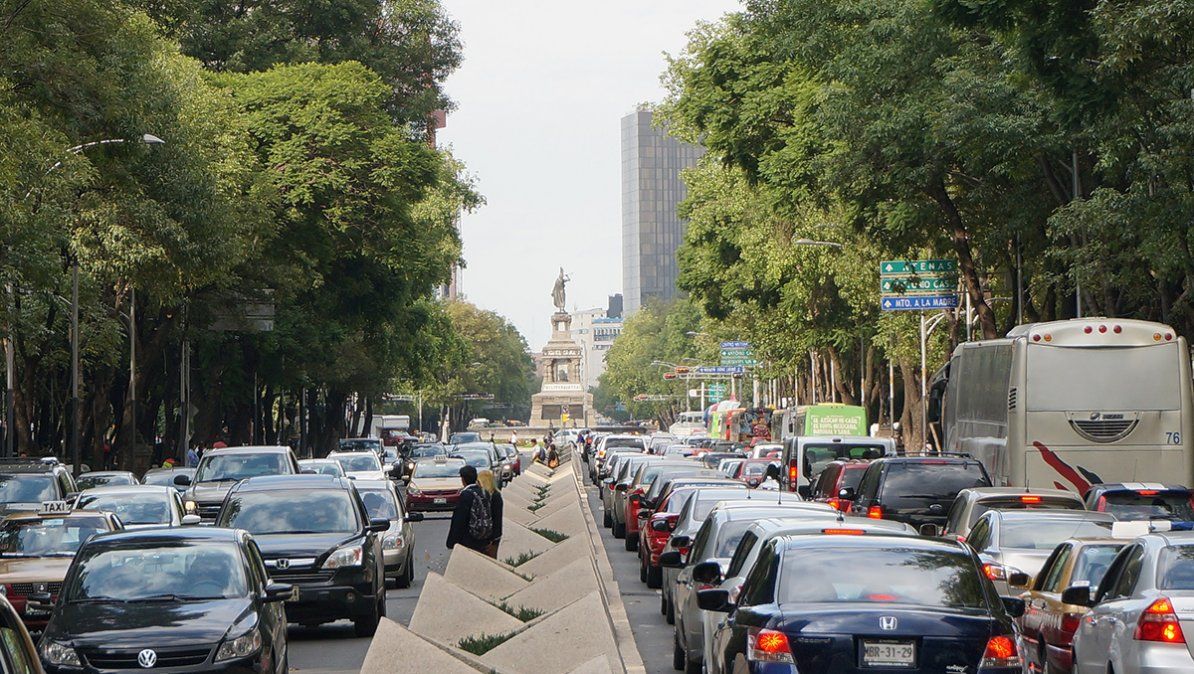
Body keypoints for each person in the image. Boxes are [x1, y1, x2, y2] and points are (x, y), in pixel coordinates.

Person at [447, 465, 494, 554]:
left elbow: (459, 519)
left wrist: (452, 541)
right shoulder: (485, 492)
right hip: (484, 537)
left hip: (469, 538)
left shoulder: (466, 495)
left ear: (463, 479)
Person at [475, 469, 504, 558]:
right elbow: (498, 519)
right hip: (492, 537)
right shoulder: (496, 495)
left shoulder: (478, 495)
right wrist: (495, 539)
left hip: (479, 536)